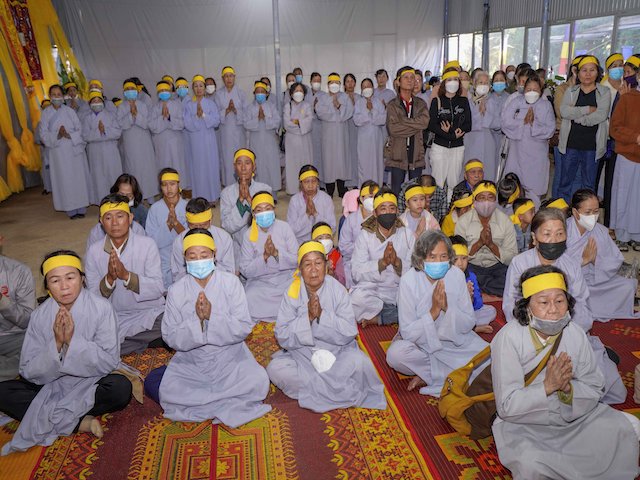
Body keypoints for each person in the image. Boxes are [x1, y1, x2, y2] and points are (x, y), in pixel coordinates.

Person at [491, 265, 640, 480]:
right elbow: (506, 406)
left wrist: (568, 390)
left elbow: (595, 386)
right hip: (525, 422)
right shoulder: (508, 339)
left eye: (560, 301)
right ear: (527, 307)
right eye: (543, 302)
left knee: (630, 427)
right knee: (531, 462)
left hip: (572, 415)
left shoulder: (575, 333)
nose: (553, 309)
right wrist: (547, 387)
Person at [0, 251, 131, 454]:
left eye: (70, 277)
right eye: (55, 280)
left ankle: (52, 415)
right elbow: (28, 370)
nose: (64, 286)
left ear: (82, 278)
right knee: (3, 392)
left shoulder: (102, 308)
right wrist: (57, 344)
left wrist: (72, 341)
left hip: (90, 381)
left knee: (120, 389)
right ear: (46, 286)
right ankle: (78, 421)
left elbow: (109, 362)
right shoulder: (39, 316)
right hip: (51, 383)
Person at [143, 229, 271, 427]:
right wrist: (197, 322)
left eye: (204, 255)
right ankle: (223, 401)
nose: (199, 261)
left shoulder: (231, 283)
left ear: (214, 254)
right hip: (193, 363)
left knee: (259, 379)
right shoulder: (176, 291)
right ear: (184, 259)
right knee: (153, 382)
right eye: (192, 256)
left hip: (230, 359)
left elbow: (244, 327)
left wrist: (212, 317)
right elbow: (170, 336)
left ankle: (202, 403)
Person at [502, 208, 626, 404]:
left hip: (567, 331)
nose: (553, 240)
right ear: (534, 238)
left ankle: (600, 353)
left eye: (559, 234)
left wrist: (565, 331)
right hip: (531, 334)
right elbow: (511, 304)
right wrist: (539, 330)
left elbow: (582, 305)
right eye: (547, 234)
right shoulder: (520, 263)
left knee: (612, 390)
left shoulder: (571, 265)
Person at [267, 241, 386, 412]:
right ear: (300, 269)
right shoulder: (292, 292)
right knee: (275, 370)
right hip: (304, 357)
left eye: (318, 263)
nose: (313, 270)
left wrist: (323, 316)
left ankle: (316, 391)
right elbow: (282, 336)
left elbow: (349, 331)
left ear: (326, 265)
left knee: (360, 363)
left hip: (337, 355)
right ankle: (340, 391)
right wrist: (307, 318)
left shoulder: (338, 290)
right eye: (307, 264)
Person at [386, 230, 488, 395]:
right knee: (395, 355)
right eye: (432, 257)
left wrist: (448, 308)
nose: (438, 262)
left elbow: (469, 322)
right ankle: (449, 374)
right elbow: (408, 332)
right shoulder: (408, 281)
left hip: (455, 343)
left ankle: (432, 375)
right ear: (421, 258)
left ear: (450, 257)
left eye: (443, 256)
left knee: (490, 360)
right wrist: (433, 312)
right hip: (422, 345)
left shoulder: (456, 275)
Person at [85, 195, 165, 355]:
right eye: (108, 217)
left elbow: (158, 289)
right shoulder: (94, 252)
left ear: (130, 218)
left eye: (120, 216)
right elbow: (92, 298)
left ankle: (119, 346)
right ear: (101, 222)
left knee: (170, 321)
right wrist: (109, 279)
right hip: (115, 317)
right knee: (88, 328)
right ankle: (140, 343)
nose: (114, 223)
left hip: (149, 313)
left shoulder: (147, 244)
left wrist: (127, 276)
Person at [566, 189, 639, 320]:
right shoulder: (563, 231)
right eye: (588, 212)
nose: (593, 216)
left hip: (595, 282)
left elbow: (615, 261)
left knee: (627, 286)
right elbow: (556, 265)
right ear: (575, 212)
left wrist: (596, 260)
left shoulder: (600, 231)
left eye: (596, 211)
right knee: (570, 295)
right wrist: (583, 260)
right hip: (571, 283)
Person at [350, 189, 415, 326]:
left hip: (399, 288)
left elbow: (415, 270)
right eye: (383, 209)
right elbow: (356, 272)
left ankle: (380, 318)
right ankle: (395, 314)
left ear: (397, 211)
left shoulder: (407, 234)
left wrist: (397, 263)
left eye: (392, 208)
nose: (388, 213)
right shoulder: (365, 236)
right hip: (374, 290)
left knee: (421, 298)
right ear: (375, 213)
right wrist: (382, 263)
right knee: (355, 299)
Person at [239, 191, 298, 323]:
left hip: (285, 278)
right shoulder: (248, 235)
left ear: (274, 210)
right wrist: (264, 256)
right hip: (261, 282)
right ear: (253, 214)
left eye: (267, 208)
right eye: (259, 210)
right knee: (250, 297)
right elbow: (245, 270)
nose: (264, 213)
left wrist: (276, 254)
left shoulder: (284, 227)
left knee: (299, 291)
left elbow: (297, 259)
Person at [558, 56, 611, 201]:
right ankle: (562, 212)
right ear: (578, 73)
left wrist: (577, 118)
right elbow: (564, 112)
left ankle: (586, 212)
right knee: (565, 183)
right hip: (570, 144)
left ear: (598, 72)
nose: (588, 74)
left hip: (592, 147)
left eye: (592, 70)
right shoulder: (571, 91)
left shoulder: (604, 92)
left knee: (588, 185)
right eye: (584, 70)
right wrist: (587, 109)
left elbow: (600, 115)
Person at [455, 181, 517, 296]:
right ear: (474, 200)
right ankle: (485, 288)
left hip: (497, 268)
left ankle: (480, 288)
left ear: (495, 200)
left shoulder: (505, 221)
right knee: (459, 278)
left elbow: (512, 257)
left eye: (490, 197)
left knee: (512, 282)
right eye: (482, 198)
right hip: (472, 266)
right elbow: (457, 255)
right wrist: (479, 243)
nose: (486, 202)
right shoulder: (463, 222)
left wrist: (491, 245)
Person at [38, 84, 91, 218]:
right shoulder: (46, 113)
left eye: (59, 94)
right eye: (54, 95)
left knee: (77, 178)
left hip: (73, 149)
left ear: (63, 96)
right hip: (58, 152)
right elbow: (43, 134)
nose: (56, 97)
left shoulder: (70, 111)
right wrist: (57, 135)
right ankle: (70, 208)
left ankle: (81, 206)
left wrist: (69, 135)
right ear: (50, 96)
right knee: (64, 179)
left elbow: (80, 129)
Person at [501, 75, 556, 205]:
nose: (531, 92)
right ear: (524, 90)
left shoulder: (545, 105)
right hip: (517, 152)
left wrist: (533, 124)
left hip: (537, 154)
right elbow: (505, 122)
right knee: (514, 184)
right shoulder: (516, 102)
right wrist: (522, 122)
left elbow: (550, 129)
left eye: (535, 90)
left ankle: (533, 210)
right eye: (529, 89)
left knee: (534, 185)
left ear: (541, 91)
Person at [220, 149, 272, 271]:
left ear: (254, 166)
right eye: (239, 163)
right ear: (234, 167)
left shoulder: (265, 189)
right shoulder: (226, 193)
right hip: (238, 248)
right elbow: (227, 227)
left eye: (247, 163)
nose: (243, 168)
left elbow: (267, 222)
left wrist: (249, 199)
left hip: (263, 246)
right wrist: (240, 201)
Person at [609, 61, 640, 253]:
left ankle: (637, 235)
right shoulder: (628, 98)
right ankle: (621, 235)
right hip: (628, 154)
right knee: (623, 195)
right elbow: (615, 128)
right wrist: (635, 137)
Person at [428, 69, 472, 201]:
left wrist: (452, 133)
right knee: (438, 182)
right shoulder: (437, 101)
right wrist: (450, 135)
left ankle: (450, 207)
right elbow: (432, 125)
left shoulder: (464, 101)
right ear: (444, 83)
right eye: (449, 80)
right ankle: (436, 209)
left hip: (457, 148)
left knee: (454, 182)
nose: (453, 83)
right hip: (439, 147)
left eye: (456, 80)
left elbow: (468, 125)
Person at [386, 66, 430, 195]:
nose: (410, 80)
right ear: (398, 82)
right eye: (406, 77)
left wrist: (403, 121)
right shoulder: (392, 104)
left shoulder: (421, 103)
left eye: (412, 77)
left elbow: (424, 123)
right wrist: (416, 126)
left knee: (415, 192)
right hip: (397, 154)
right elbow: (393, 129)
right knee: (396, 191)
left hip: (416, 153)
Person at [170, 197, 234, 281]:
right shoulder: (179, 242)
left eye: (203, 225)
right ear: (188, 222)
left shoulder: (224, 238)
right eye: (194, 226)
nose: (199, 229)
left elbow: (229, 270)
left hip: (220, 283)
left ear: (210, 220)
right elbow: (178, 274)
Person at [145, 169, 187, 288]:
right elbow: (150, 242)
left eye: (172, 184)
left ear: (178, 184)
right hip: (162, 260)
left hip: (184, 260)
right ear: (160, 187)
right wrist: (168, 225)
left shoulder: (188, 206)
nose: (169, 189)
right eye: (164, 185)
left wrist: (176, 224)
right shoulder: (154, 209)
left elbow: (193, 237)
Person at [0, 236, 34, 381]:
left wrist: (2, 301)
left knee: (43, 348)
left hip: (15, 336)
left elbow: (27, 320)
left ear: (0, 240)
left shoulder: (19, 272)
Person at [117, 79, 157, 202]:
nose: (130, 91)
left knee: (147, 167)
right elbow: (120, 125)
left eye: (132, 89)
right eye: (127, 89)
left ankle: (150, 195)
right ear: (124, 92)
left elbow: (148, 123)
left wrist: (137, 115)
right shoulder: (121, 107)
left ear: (137, 90)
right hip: (130, 142)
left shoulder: (143, 105)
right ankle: (135, 197)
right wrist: (130, 116)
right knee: (132, 168)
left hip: (144, 141)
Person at [315, 72, 354, 198]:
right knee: (329, 162)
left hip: (341, 135)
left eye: (336, 83)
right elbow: (320, 112)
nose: (334, 85)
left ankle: (342, 189)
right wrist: (335, 112)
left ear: (340, 84)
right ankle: (330, 190)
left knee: (342, 160)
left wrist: (339, 107)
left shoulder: (345, 98)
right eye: (332, 83)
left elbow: (349, 112)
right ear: (328, 85)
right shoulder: (323, 98)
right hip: (328, 136)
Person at [184, 74, 222, 202]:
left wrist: (204, 115)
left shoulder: (211, 104)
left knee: (210, 167)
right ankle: (199, 197)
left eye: (201, 86)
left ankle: (212, 196)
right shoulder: (189, 105)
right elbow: (187, 124)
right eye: (196, 86)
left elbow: (216, 121)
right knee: (198, 169)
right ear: (192, 88)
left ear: (204, 88)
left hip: (209, 140)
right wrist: (196, 116)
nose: (198, 88)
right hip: (195, 142)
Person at [598, 53, 624, 228]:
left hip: (617, 141)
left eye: (620, 65)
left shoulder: (626, 86)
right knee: (595, 179)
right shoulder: (602, 88)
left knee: (612, 182)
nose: (618, 68)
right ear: (608, 68)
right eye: (614, 65)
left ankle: (609, 222)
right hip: (602, 139)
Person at [82, 90, 122, 205]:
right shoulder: (87, 118)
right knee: (98, 177)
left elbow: (117, 132)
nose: (96, 103)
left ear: (103, 102)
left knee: (112, 175)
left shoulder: (111, 115)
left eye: (98, 100)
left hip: (110, 150)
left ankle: (116, 200)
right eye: (93, 101)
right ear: (89, 104)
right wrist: (98, 132)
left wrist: (105, 131)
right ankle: (102, 202)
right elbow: (85, 135)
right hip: (95, 152)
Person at [450, 235, 496, 332]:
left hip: (470, 312)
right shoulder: (445, 277)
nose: (460, 263)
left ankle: (470, 326)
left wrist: (470, 298)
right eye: (455, 259)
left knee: (491, 310)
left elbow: (478, 303)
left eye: (464, 258)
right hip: (452, 314)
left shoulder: (470, 276)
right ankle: (473, 328)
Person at [149, 81, 189, 190]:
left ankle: (179, 190)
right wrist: (162, 118)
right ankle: (165, 190)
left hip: (175, 142)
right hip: (161, 143)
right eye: (161, 91)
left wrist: (170, 118)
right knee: (164, 167)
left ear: (170, 91)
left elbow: (182, 123)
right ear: (158, 93)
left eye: (166, 90)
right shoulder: (154, 108)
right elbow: (152, 126)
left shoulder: (177, 105)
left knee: (177, 166)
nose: (164, 92)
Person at [338, 181, 379, 288]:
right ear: (361, 198)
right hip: (353, 262)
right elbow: (343, 247)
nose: (373, 200)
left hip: (375, 263)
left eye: (376, 197)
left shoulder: (382, 219)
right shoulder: (351, 220)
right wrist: (363, 248)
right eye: (370, 197)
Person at [551, 56, 581, 199]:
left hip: (582, 139)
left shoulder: (591, 89)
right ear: (574, 70)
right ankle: (558, 206)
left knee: (577, 177)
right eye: (583, 70)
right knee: (562, 175)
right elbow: (562, 113)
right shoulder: (562, 89)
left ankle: (574, 207)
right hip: (564, 137)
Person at [244, 81, 281, 192]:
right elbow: (246, 123)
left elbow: (277, 121)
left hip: (270, 143)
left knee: (271, 167)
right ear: (254, 93)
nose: (260, 94)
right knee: (258, 167)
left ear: (266, 93)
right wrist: (257, 119)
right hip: (256, 143)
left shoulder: (272, 106)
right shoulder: (249, 108)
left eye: (262, 92)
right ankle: (257, 192)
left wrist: (265, 118)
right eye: (258, 92)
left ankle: (272, 193)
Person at [464, 71, 501, 181]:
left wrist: (486, 112)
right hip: (471, 140)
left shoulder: (492, 101)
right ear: (474, 84)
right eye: (480, 82)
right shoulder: (468, 101)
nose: (483, 85)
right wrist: (478, 112)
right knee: (470, 169)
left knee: (487, 170)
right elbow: (468, 122)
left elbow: (498, 123)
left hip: (488, 141)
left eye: (486, 83)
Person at [287, 165, 336, 244]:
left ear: (318, 182)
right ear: (301, 184)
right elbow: (291, 230)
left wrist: (316, 214)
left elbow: (332, 228)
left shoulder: (326, 199)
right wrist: (306, 215)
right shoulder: (295, 201)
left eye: (313, 181)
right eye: (306, 182)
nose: (310, 185)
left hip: (322, 242)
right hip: (300, 242)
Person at [215, 66, 247, 187]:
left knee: (240, 159)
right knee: (227, 159)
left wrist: (236, 110)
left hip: (239, 133)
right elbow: (216, 114)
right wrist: (227, 110)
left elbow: (246, 113)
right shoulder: (218, 95)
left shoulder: (241, 93)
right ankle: (228, 186)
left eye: (231, 76)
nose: (229, 79)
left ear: (234, 77)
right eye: (226, 76)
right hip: (225, 133)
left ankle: (242, 185)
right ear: (223, 78)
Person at [353, 77, 386, 186]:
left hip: (376, 139)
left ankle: (377, 187)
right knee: (364, 163)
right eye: (364, 87)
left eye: (368, 86)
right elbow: (356, 120)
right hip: (364, 139)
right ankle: (364, 188)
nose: (366, 88)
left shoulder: (378, 102)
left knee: (377, 163)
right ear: (361, 89)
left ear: (372, 87)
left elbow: (383, 119)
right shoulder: (358, 103)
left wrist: (373, 110)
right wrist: (368, 113)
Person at [283, 82, 313, 195]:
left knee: (305, 163)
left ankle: (308, 189)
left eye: (301, 91)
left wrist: (297, 122)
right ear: (291, 94)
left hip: (305, 140)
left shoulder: (307, 106)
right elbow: (287, 124)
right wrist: (301, 125)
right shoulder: (287, 106)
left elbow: (309, 122)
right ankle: (293, 190)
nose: (298, 93)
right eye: (296, 91)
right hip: (291, 141)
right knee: (292, 165)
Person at [311, 222, 346, 287]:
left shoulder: (336, 255)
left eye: (328, 237)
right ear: (314, 241)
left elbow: (342, 282)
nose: (325, 241)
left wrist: (332, 274)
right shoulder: (309, 256)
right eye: (320, 238)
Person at [309, 72, 325, 175]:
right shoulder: (306, 95)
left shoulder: (324, 95)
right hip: (308, 129)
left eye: (319, 81)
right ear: (310, 82)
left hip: (320, 129)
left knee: (320, 155)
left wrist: (316, 109)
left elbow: (325, 113)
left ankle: (321, 179)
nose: (317, 83)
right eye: (315, 81)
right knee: (310, 155)